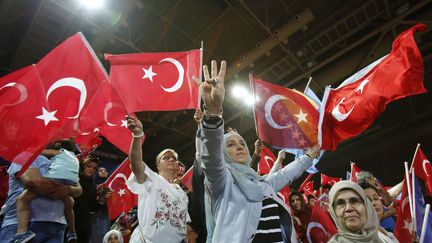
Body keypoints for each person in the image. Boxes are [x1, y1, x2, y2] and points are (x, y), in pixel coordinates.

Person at [199, 60, 320, 242]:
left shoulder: (263, 185)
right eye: (230, 145)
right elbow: (211, 157)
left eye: (241, 144)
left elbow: (287, 174)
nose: (239, 146)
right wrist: (214, 113)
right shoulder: (221, 181)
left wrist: (311, 154)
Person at [126, 115, 191, 243]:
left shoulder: (183, 194)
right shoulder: (151, 179)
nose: (171, 159)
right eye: (166, 157)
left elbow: (185, 224)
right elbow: (136, 164)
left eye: (174, 158)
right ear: (158, 165)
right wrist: (137, 136)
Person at [0, 154, 82, 243]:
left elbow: (79, 189)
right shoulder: (24, 156)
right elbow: (33, 182)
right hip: (19, 222)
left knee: (22, 199)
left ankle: (22, 232)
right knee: (69, 202)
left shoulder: (62, 160)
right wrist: (65, 188)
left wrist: (68, 189)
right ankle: (72, 232)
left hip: (56, 223)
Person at [328, 180, 396, 243]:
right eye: (340, 203)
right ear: (333, 212)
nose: (348, 208)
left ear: (366, 206)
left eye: (355, 201)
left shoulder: (385, 239)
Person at [74, 156, 110, 243]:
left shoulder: (93, 185)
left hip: (84, 224)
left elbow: (92, 207)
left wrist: (102, 200)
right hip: (70, 221)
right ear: (83, 166)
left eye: (94, 168)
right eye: (89, 166)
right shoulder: (74, 179)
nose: (91, 169)